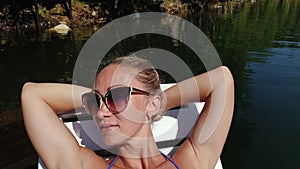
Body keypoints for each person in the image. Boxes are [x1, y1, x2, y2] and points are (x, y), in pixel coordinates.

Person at [21, 56, 234, 169]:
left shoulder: (192, 162)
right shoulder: (85, 166)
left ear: (151, 104)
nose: (101, 112)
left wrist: (158, 102)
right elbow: (32, 95)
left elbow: (221, 80)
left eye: (118, 96)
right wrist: (97, 97)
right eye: (96, 103)